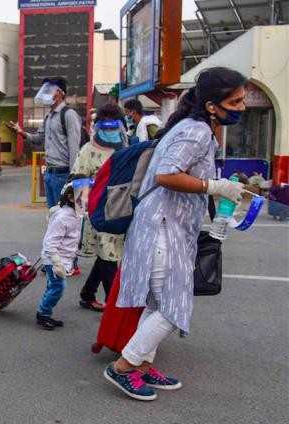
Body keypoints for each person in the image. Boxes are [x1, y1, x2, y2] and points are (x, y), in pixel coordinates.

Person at [104, 67, 247, 401]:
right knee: (172, 308)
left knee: (156, 303)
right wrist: (214, 185)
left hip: (165, 227)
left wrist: (219, 194)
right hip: (161, 228)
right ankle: (123, 367)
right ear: (212, 105)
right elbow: (169, 175)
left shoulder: (195, 129)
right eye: (236, 101)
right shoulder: (196, 132)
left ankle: (140, 364)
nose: (242, 107)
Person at [74, 104, 128, 312]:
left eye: (114, 125)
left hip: (122, 212)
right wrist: (80, 215)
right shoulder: (88, 150)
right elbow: (78, 179)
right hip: (98, 212)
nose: (110, 130)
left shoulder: (128, 147)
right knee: (108, 255)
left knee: (109, 253)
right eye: (105, 125)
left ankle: (87, 293)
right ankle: (115, 307)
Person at [10, 77, 82, 208]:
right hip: (49, 174)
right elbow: (39, 139)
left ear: (59, 93)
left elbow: (74, 148)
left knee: (64, 215)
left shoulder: (68, 115)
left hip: (63, 174)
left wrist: (72, 179)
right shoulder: (49, 116)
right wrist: (21, 132)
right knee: (53, 214)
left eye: (48, 90)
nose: (44, 94)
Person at [36, 175, 85, 330]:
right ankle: (43, 314)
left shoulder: (76, 212)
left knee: (53, 286)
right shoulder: (63, 217)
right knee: (58, 287)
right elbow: (50, 243)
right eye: (86, 196)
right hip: (55, 258)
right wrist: (57, 263)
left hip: (64, 257)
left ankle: (45, 311)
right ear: (71, 198)